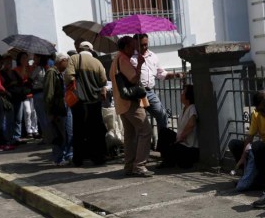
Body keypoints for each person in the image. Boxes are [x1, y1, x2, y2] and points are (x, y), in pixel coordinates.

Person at [110, 36, 153, 177]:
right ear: (126, 47)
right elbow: (133, 78)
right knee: (145, 131)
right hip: (130, 102)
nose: (135, 48)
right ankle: (139, 166)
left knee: (130, 136)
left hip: (121, 102)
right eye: (133, 46)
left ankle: (129, 166)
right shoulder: (123, 59)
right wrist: (139, 65)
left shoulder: (116, 59)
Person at [64, 41, 109, 166]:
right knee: (96, 130)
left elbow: (68, 76)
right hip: (95, 101)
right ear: (91, 50)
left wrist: (77, 83)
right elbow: (103, 81)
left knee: (79, 130)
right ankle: (99, 157)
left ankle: (79, 159)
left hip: (79, 101)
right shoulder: (97, 62)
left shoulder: (74, 58)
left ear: (79, 49)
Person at [131, 33, 183, 140]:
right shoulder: (131, 58)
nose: (145, 47)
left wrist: (174, 75)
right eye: (142, 45)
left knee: (162, 115)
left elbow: (161, 73)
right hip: (137, 93)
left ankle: (163, 143)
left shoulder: (153, 56)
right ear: (135, 44)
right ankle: (139, 146)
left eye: (146, 44)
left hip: (149, 92)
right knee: (140, 122)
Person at [156, 84, 199, 169]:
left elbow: (191, 124)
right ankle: (166, 160)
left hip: (189, 146)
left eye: (183, 92)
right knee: (164, 132)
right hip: (181, 141)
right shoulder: (184, 108)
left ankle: (170, 161)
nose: (181, 94)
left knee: (172, 149)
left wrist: (182, 136)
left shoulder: (192, 108)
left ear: (188, 96)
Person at [44, 52, 71, 166]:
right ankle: (58, 158)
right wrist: (50, 111)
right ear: (62, 61)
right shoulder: (52, 73)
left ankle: (62, 157)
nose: (68, 64)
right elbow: (49, 93)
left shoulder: (59, 73)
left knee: (63, 134)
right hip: (57, 109)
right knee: (59, 135)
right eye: (67, 62)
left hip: (61, 108)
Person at [14, 52, 38, 139]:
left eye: (26, 58)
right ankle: (29, 131)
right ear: (19, 59)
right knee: (27, 111)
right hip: (23, 93)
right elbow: (21, 78)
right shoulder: (16, 69)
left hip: (32, 92)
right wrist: (24, 67)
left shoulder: (30, 67)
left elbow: (33, 76)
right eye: (23, 58)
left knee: (34, 112)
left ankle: (35, 130)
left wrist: (33, 66)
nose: (25, 59)